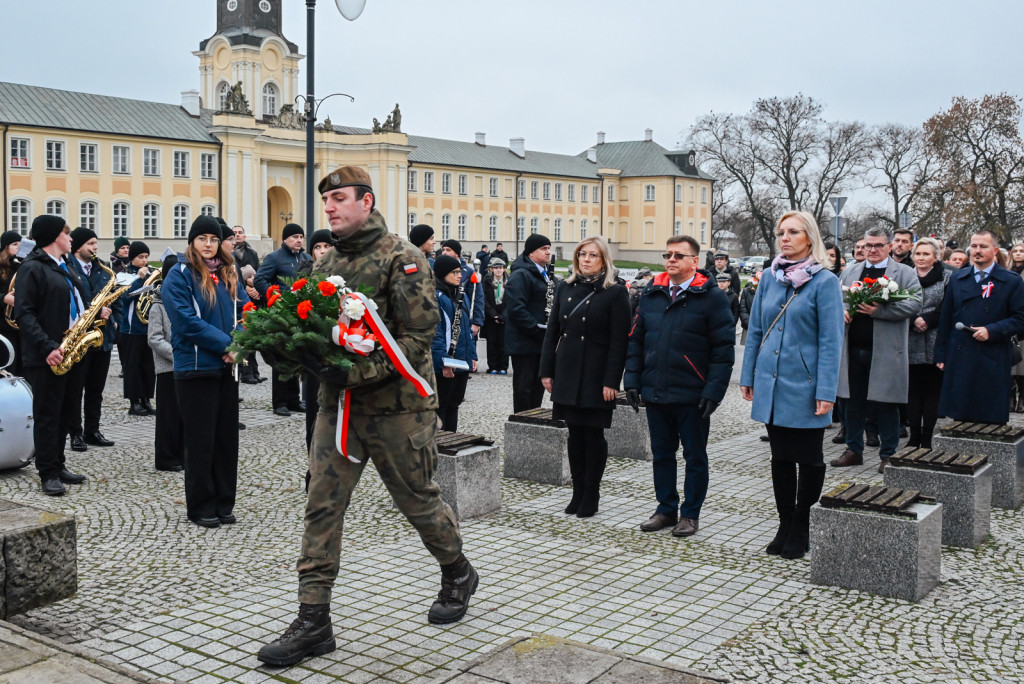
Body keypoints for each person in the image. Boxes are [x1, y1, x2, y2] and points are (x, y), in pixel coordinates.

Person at [257, 166, 474, 667]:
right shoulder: (326, 260)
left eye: (338, 198)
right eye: (326, 200)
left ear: (366, 201)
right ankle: (314, 621)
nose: (329, 207)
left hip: (399, 408)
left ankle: (458, 569)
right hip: (339, 409)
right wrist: (290, 352)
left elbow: (419, 339)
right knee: (321, 505)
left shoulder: (404, 258)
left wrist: (357, 372)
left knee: (418, 502)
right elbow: (310, 323)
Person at [740, 211, 844, 560]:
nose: (785, 238)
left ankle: (802, 525)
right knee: (780, 458)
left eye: (794, 232)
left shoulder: (825, 281)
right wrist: (748, 374)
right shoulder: (770, 278)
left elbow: (831, 340)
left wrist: (827, 391)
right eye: (781, 232)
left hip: (806, 384)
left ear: (810, 238)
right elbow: (755, 329)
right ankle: (784, 524)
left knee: (810, 459)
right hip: (770, 382)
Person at [624, 235, 735, 538]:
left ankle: (690, 514)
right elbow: (636, 340)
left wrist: (714, 391)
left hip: (693, 393)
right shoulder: (652, 292)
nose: (671, 260)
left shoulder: (711, 297)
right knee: (662, 454)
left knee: (694, 456)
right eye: (668, 254)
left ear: (694, 262)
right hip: (657, 389)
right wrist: (632, 379)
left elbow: (723, 350)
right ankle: (665, 509)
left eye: (678, 255)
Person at [161, 216, 247, 527]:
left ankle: (225, 502)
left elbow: (246, 311)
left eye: (213, 239)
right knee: (201, 442)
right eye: (202, 239)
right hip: (196, 368)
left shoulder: (228, 273)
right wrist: (226, 344)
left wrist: (240, 343)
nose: (208, 244)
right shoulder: (179, 275)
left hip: (227, 368)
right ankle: (201, 506)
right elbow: (186, 321)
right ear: (192, 242)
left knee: (226, 441)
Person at [539, 236, 630, 518]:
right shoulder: (565, 287)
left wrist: (611, 381)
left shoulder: (615, 292)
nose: (586, 259)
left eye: (593, 255)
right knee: (574, 433)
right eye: (582, 254)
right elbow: (552, 330)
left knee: (593, 434)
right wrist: (547, 370)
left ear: (604, 260)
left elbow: (619, 341)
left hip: (596, 372)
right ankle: (577, 491)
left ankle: (591, 492)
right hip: (567, 368)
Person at [831, 227, 921, 473]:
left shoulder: (903, 272)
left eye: (878, 245)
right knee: (851, 401)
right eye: (867, 245)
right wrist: (843, 311)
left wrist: (879, 311)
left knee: (886, 403)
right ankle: (853, 449)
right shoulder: (850, 272)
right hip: (853, 348)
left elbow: (914, 302)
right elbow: (836, 300)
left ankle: (889, 453)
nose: (871, 250)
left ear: (889, 246)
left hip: (886, 350)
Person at [12, 215, 90, 496]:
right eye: (67, 233)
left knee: (67, 412)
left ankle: (58, 464)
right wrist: (48, 347)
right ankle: (47, 472)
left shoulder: (62, 266)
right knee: (47, 414)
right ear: (54, 236)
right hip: (47, 354)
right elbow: (24, 313)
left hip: (70, 349)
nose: (71, 238)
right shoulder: (32, 268)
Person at [935, 230, 1024, 425]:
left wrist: (991, 330)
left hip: (993, 356)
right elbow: (946, 319)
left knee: (989, 417)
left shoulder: (1011, 280)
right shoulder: (958, 279)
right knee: (961, 416)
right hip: (961, 355)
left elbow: (1020, 319)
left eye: (983, 246)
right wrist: (941, 354)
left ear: (994, 250)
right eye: (974, 246)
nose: (977, 251)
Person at [65, 228, 118, 450]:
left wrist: (115, 320)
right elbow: (74, 302)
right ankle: (75, 433)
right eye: (91, 244)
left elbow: (114, 299)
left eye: (96, 243)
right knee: (76, 389)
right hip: (80, 337)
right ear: (77, 246)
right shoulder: (67, 269)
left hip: (101, 337)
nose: (95, 248)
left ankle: (92, 430)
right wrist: (97, 312)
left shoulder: (103, 270)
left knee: (96, 390)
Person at [255, 223, 311, 416]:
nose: (299, 240)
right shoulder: (274, 258)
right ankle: (280, 402)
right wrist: (274, 297)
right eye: (295, 236)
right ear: (286, 239)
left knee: (296, 357)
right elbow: (260, 279)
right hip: (281, 314)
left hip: (301, 315)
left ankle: (294, 400)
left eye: (301, 236)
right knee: (281, 358)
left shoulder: (306, 258)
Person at [906, 238, 949, 448]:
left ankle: (927, 437)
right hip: (910, 338)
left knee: (932, 391)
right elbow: (898, 302)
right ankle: (913, 437)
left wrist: (928, 320)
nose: (921, 258)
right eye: (918, 254)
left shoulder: (947, 277)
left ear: (935, 256)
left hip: (935, 338)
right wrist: (914, 319)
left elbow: (947, 306)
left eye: (926, 254)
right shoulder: (905, 275)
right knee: (913, 391)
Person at [505, 234, 554, 413]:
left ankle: (534, 424)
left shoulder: (545, 274)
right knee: (524, 390)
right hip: (525, 343)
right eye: (544, 249)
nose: (548, 252)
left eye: (549, 248)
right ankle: (522, 425)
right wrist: (537, 329)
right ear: (531, 253)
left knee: (536, 389)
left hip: (540, 341)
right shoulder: (521, 274)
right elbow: (516, 309)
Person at [296, 228, 336, 451]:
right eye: (317, 247)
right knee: (314, 408)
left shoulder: (343, 275)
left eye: (327, 246)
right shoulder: (305, 275)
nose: (322, 251)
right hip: (314, 354)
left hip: (340, 349)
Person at [147, 254, 185, 472]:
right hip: (167, 367)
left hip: (184, 365)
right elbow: (154, 338)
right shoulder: (158, 305)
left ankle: (182, 454)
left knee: (183, 415)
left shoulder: (183, 299)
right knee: (168, 417)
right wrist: (176, 353)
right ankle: (166, 458)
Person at [431, 255, 478, 432]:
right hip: (446, 363)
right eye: (454, 272)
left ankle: (452, 439)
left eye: (460, 272)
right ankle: (440, 447)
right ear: (443, 274)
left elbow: (466, 330)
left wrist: (472, 355)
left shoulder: (458, 294)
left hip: (461, 361)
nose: (459, 276)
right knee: (441, 405)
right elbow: (436, 334)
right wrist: (443, 362)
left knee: (455, 404)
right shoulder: (436, 297)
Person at [119, 241, 156, 417]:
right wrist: (139, 280)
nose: (144, 261)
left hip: (147, 327)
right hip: (131, 328)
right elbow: (124, 298)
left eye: (146, 257)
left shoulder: (150, 274)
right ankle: (134, 402)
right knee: (133, 366)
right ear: (132, 258)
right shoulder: (125, 275)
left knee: (148, 366)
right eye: (140, 257)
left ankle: (147, 399)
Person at [440, 239, 484, 337]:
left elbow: (477, 297)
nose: (444, 252)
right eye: (443, 250)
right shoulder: (440, 270)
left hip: (465, 320)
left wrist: (476, 323)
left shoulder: (468, 272)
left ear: (457, 253)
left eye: (448, 250)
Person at [1, 230, 24, 376]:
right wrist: (4, 298)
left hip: (20, 326)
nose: (18, 248)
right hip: (3, 327)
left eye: (20, 245)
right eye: (15, 244)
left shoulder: (22, 266)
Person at [481, 258, 509, 374]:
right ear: (491, 269)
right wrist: (493, 315)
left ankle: (503, 366)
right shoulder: (486, 281)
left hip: (504, 314)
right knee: (491, 342)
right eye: (496, 268)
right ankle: (492, 366)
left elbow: (512, 300)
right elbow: (484, 300)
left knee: (503, 342)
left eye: (501, 268)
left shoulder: (509, 281)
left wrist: (504, 316)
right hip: (491, 315)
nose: (499, 270)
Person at [738, 271, 759, 346]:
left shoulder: (766, 292)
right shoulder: (746, 291)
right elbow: (743, 309)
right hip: (748, 325)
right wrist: (748, 322)